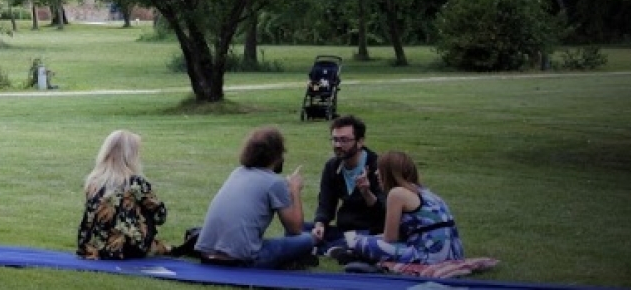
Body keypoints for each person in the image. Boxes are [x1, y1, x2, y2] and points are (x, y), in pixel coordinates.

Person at [195, 126, 314, 270]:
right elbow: (295, 228)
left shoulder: (237, 173)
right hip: (241, 260)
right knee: (307, 240)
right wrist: (294, 189)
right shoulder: (275, 182)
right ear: (277, 155)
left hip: (206, 255)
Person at [330, 150, 465, 265]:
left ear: (389, 173)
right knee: (363, 239)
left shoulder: (396, 194)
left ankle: (353, 253)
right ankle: (355, 253)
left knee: (363, 242)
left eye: (380, 169)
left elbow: (390, 238)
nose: (376, 173)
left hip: (430, 255)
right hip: (453, 253)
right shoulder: (423, 192)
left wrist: (359, 241)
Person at [76, 129, 169, 260]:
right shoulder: (135, 182)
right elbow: (160, 216)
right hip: (124, 248)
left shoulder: (93, 182)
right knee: (145, 208)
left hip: (90, 246)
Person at [309, 115, 386, 251]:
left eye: (344, 140)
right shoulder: (332, 166)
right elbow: (326, 204)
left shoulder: (377, 167)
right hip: (343, 229)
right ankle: (335, 247)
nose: (338, 145)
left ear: (360, 142)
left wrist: (366, 193)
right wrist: (320, 224)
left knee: (365, 239)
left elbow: (384, 213)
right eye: (335, 140)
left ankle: (328, 248)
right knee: (301, 230)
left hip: (370, 230)